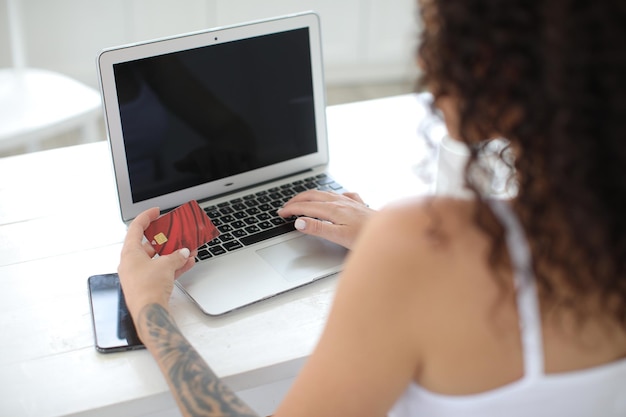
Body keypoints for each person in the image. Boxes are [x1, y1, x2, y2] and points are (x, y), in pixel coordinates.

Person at [117, 0, 626, 416]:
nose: (426, 64)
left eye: (438, 39)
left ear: (501, 67)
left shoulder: (415, 241)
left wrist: (149, 310)